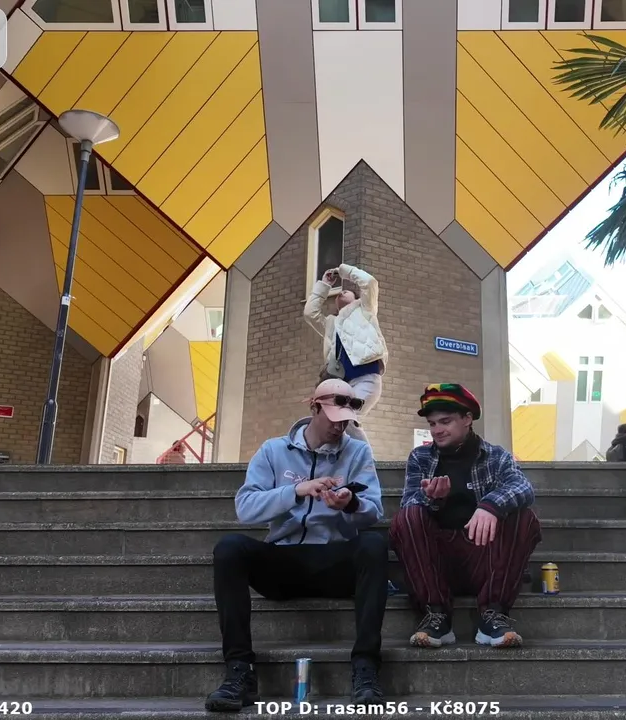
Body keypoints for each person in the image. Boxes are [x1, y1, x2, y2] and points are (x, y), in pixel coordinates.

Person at [205, 379, 387, 712]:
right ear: (314, 408)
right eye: (334, 418)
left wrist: (350, 504)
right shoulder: (273, 450)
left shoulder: (357, 451)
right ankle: (240, 671)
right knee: (229, 548)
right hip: (283, 562)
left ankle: (366, 668)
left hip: (334, 563)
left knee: (374, 545)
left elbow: (375, 510)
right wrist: (295, 492)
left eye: (346, 420)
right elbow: (245, 508)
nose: (340, 426)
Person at [389, 383, 541, 650]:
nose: (437, 430)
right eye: (432, 423)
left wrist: (490, 506)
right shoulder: (421, 457)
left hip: (483, 558)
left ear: (467, 418)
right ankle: (436, 615)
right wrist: (433, 499)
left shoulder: (496, 456)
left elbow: (523, 488)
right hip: (437, 563)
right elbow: (408, 505)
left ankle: (493, 614)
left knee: (524, 517)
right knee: (407, 518)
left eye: (445, 421)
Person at [303, 264, 387, 442]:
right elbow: (310, 313)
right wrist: (324, 285)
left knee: (347, 418)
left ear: (356, 298)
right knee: (333, 420)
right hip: (342, 384)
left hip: (366, 378)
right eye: (339, 293)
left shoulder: (365, 309)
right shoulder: (331, 324)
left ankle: (364, 456)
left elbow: (370, 283)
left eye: (347, 291)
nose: (342, 292)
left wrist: (343, 271)